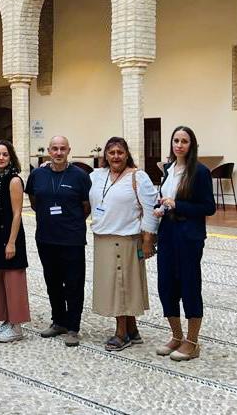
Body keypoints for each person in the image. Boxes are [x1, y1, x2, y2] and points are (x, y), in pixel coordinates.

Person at [88, 138, 159, 351]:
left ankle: (121, 333)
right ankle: (132, 329)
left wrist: (148, 241)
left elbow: (150, 211)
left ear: (127, 154)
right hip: (103, 239)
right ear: (105, 156)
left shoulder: (138, 177)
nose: (116, 156)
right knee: (116, 284)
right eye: (112, 152)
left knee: (122, 286)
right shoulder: (96, 176)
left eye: (120, 152)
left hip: (126, 239)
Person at [153, 126, 216, 361]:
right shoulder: (169, 169)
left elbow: (208, 207)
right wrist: (161, 208)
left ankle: (192, 341)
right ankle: (176, 335)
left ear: (192, 145)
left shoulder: (199, 172)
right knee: (166, 284)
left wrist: (178, 205)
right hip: (168, 232)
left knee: (189, 284)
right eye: (176, 141)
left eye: (184, 141)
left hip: (189, 235)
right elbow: (167, 199)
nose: (179, 145)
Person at [25, 135, 91, 347]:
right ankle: (58, 321)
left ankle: (73, 326)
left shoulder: (79, 176)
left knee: (73, 283)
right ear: (49, 151)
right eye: (55, 148)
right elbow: (35, 202)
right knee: (52, 282)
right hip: (46, 238)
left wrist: (71, 221)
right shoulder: (37, 174)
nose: (59, 152)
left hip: (72, 239)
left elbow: (86, 206)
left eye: (63, 148)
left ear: (69, 150)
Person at [0, 140, 31, 344]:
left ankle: (17, 325)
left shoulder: (14, 180)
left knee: (13, 279)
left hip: (9, 235)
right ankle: (6, 319)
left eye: (5, 154)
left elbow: (17, 213)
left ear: (10, 157)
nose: (1, 157)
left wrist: (11, 242)